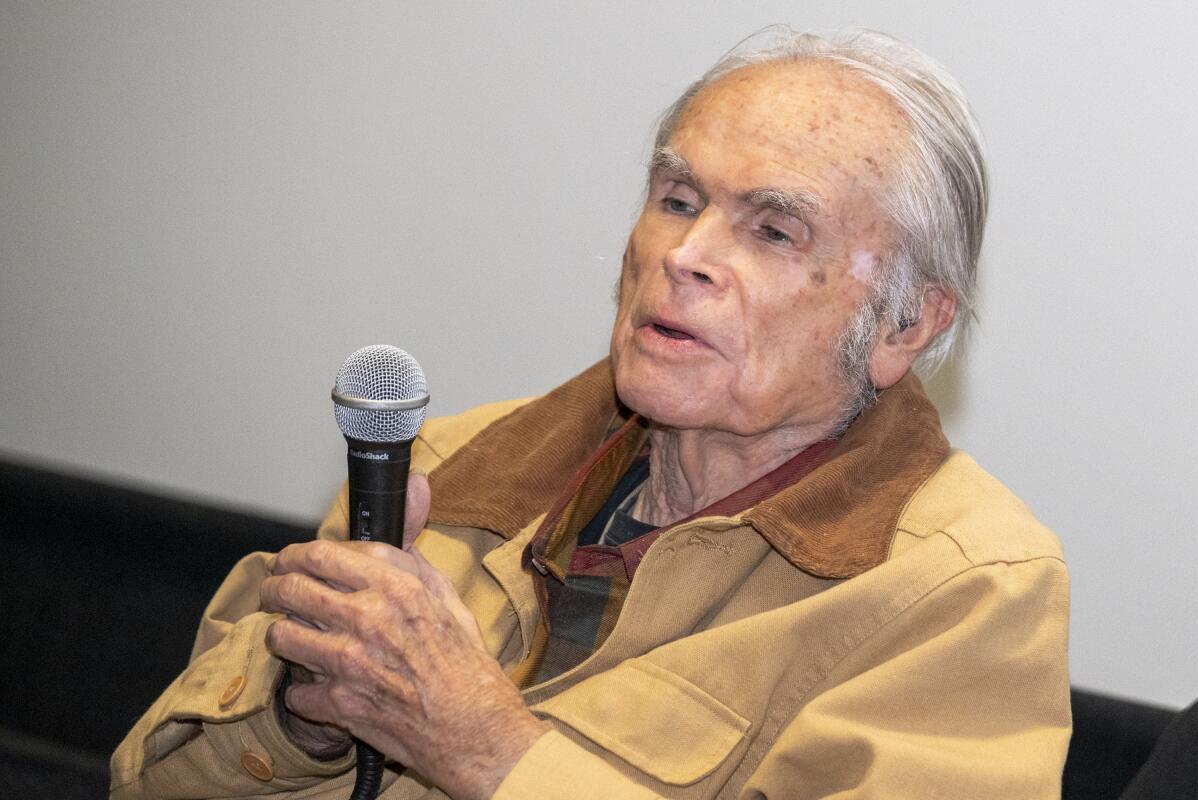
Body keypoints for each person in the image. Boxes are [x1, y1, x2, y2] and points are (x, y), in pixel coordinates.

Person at [110, 27, 1071, 800]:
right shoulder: (448, 464)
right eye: (676, 197)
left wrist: (485, 748)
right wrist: (308, 716)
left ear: (904, 323)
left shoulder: (965, 588)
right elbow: (143, 781)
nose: (684, 253)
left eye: (773, 229)